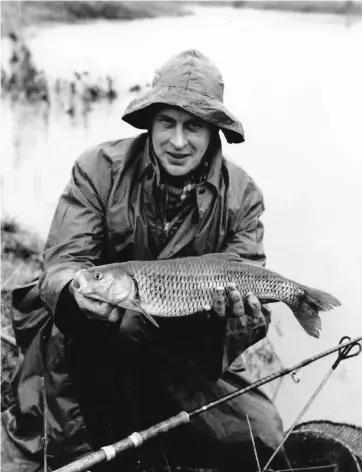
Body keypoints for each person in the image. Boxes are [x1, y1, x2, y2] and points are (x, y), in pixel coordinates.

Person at [2, 50, 288, 472]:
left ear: (214, 132)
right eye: (166, 122)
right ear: (149, 122)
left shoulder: (243, 196)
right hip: (91, 340)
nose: (177, 141)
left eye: (193, 126)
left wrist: (238, 320)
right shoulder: (98, 169)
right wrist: (75, 294)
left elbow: (248, 292)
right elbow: (62, 264)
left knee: (262, 437)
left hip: (188, 347)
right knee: (67, 449)